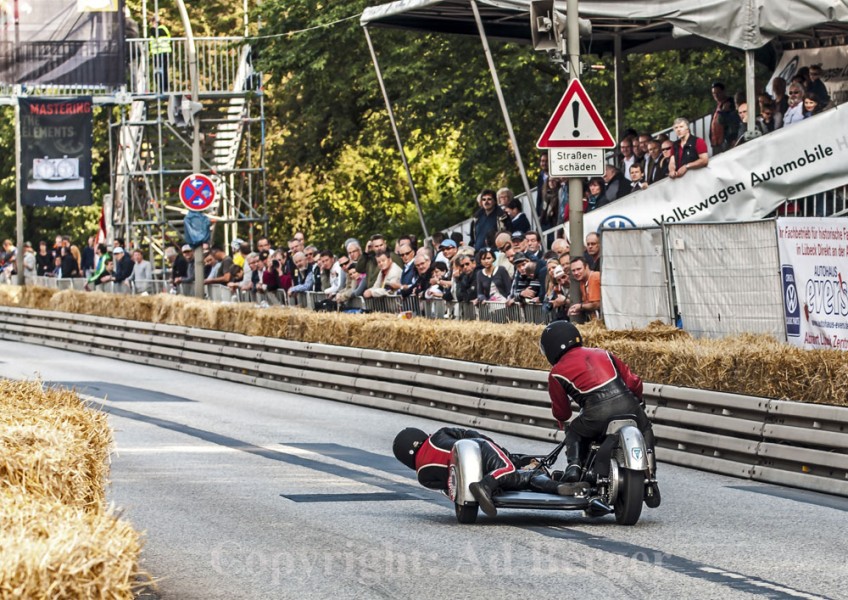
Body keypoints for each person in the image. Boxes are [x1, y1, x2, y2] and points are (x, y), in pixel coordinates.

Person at [539, 321, 660, 508]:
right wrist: (638, 400)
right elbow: (634, 381)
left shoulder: (556, 372)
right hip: (629, 404)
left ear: (551, 348)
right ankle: (650, 474)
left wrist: (563, 422)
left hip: (596, 413)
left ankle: (574, 466)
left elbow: (562, 412)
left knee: (575, 431)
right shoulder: (603, 353)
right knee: (645, 427)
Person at [392, 426, 573, 517]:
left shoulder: (423, 476)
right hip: (479, 451)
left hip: (469, 477)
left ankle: (557, 485)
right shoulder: (439, 435)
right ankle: (487, 485)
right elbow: (472, 435)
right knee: (509, 468)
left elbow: (450, 489)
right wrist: (499, 449)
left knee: (521, 477)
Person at [567, 256, 601, 322]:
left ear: (586, 267)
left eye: (579, 269)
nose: (576, 273)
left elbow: (596, 304)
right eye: (573, 270)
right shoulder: (582, 282)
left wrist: (580, 307)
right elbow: (587, 303)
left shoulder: (594, 277)